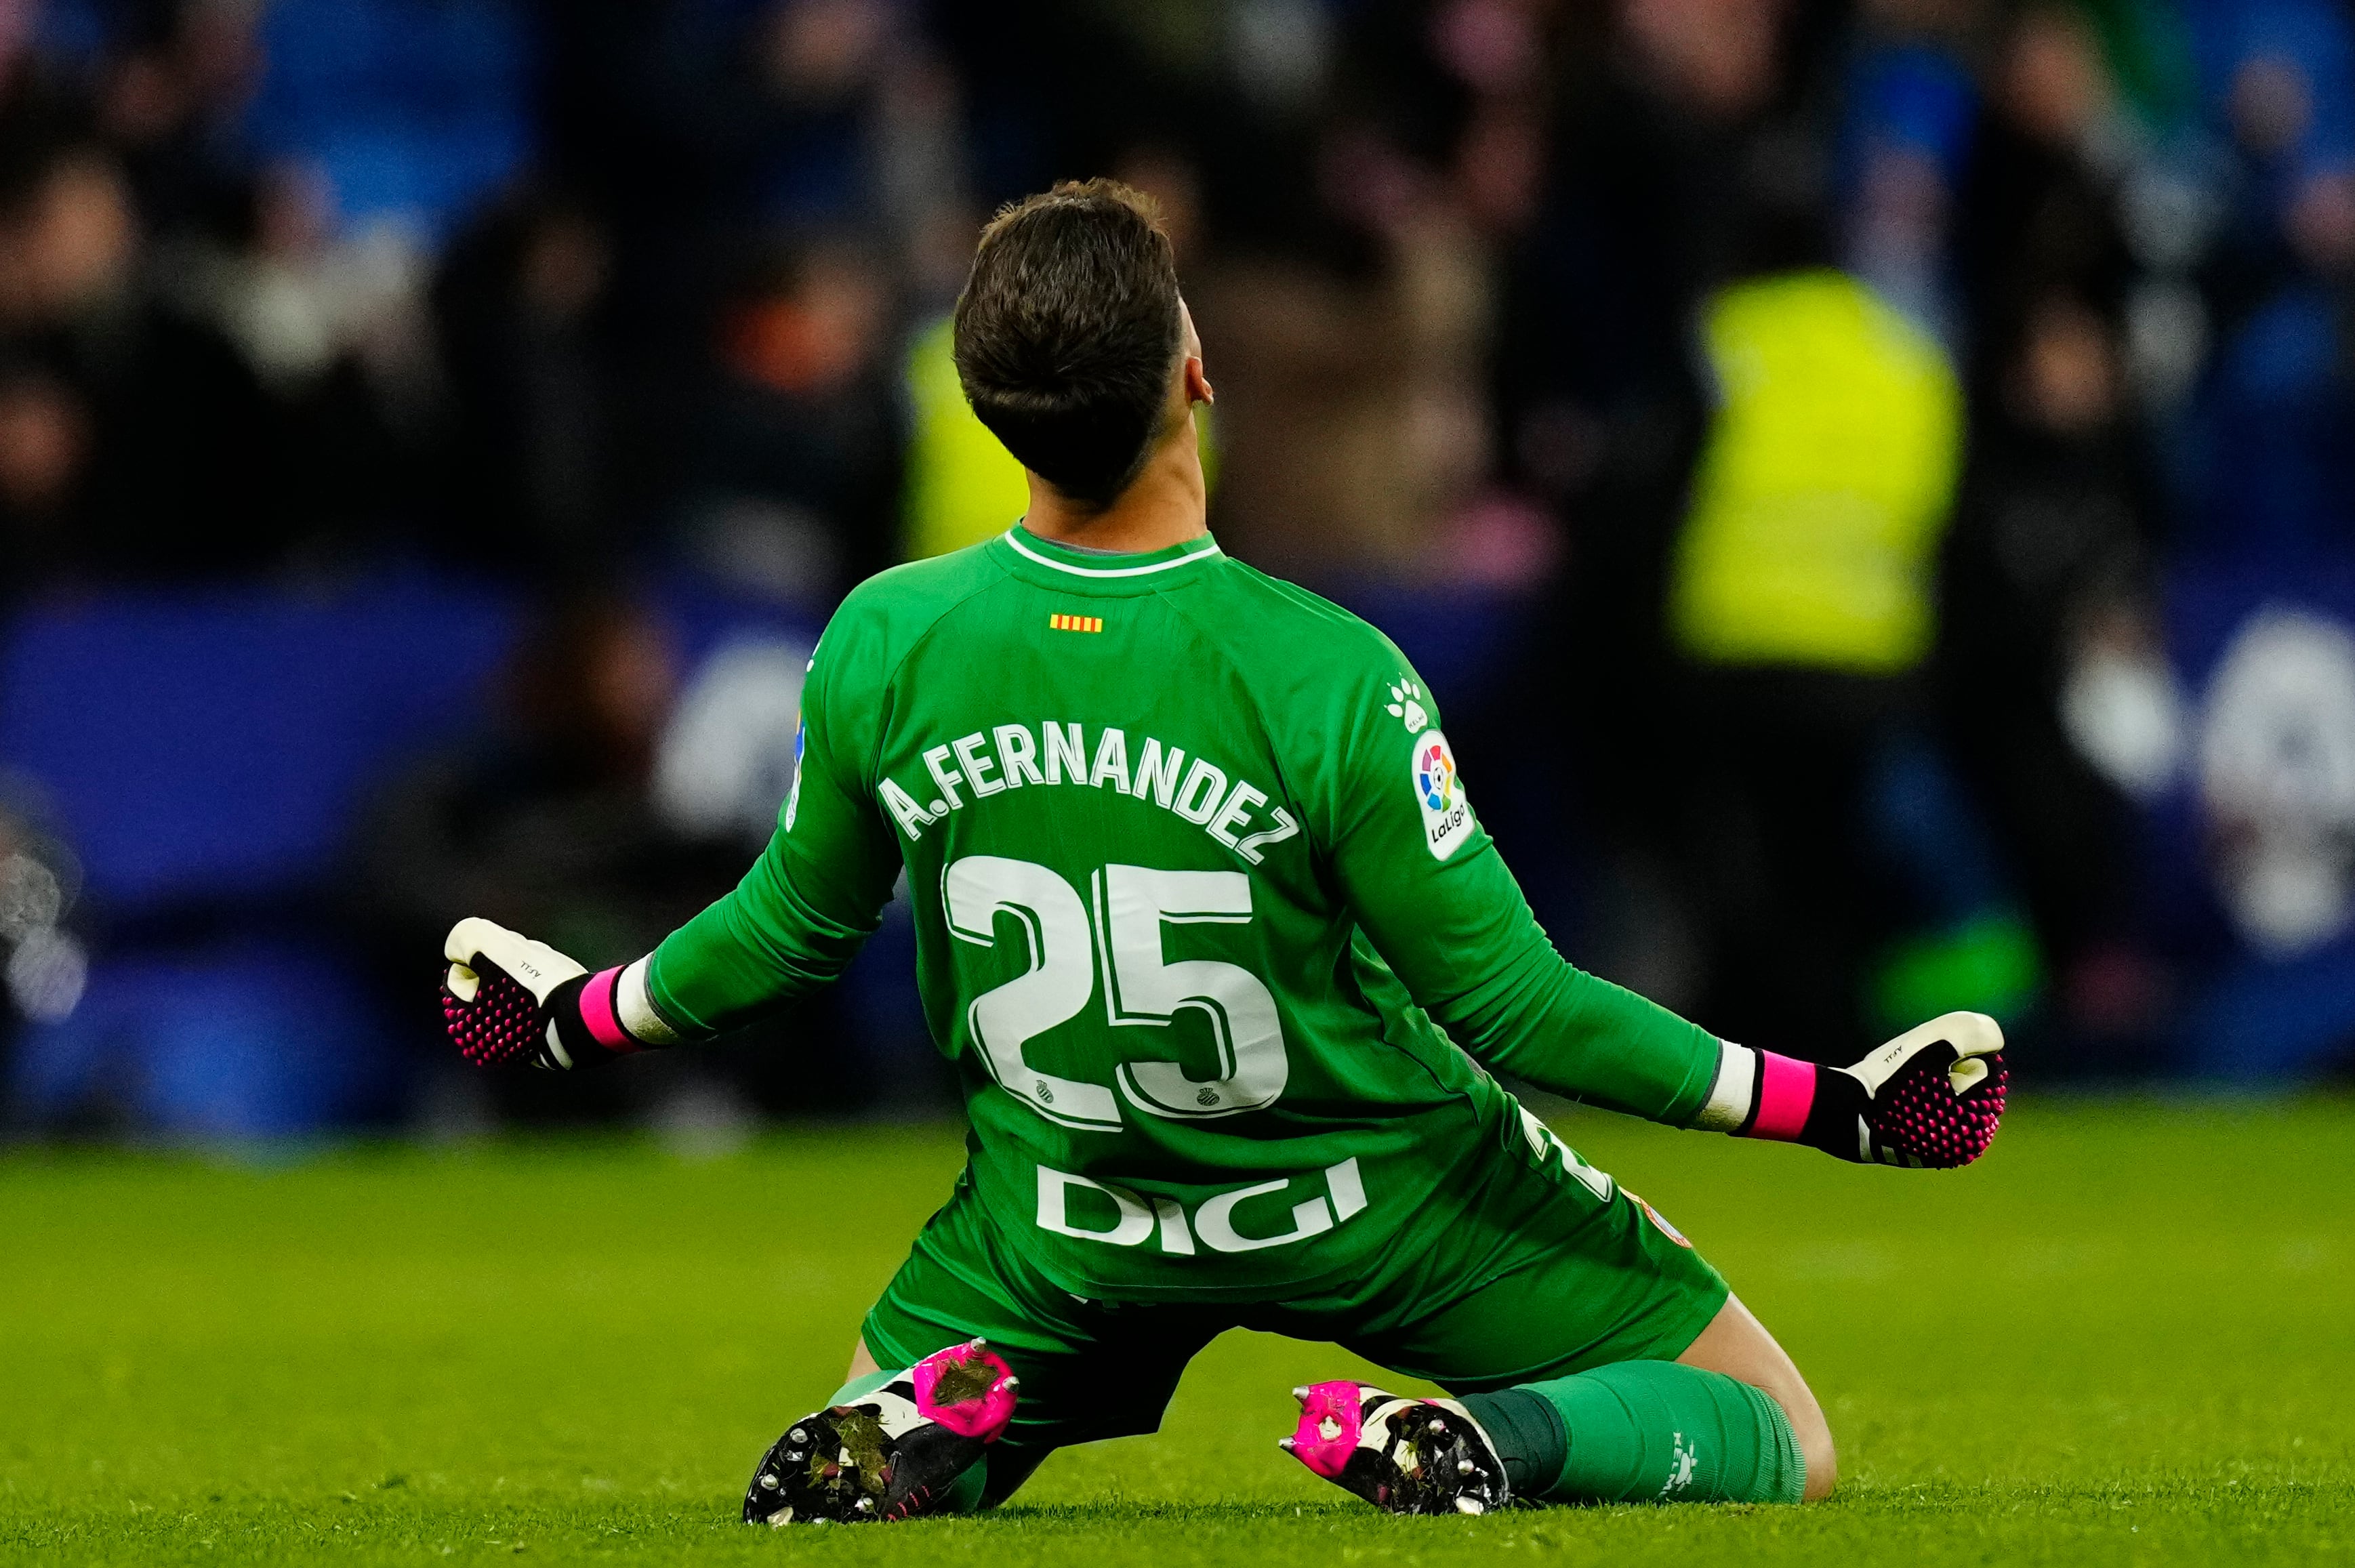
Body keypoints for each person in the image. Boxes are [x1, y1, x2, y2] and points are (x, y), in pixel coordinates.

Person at [438, 181, 2008, 1523]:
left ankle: (944, 1414)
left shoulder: (884, 640)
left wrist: (578, 1014)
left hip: (1065, 1222)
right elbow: (1520, 1006)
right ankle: (1490, 1438)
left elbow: (787, 930)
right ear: (1195, 369)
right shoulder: (1324, 672)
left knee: (920, 1387)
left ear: (994, 408)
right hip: (1366, 1194)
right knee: (1777, 1429)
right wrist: (1838, 1107)